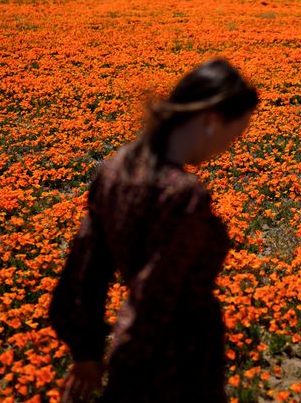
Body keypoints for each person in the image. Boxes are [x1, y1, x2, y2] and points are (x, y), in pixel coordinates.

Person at [48, 57, 259, 402]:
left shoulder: (115, 170)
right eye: (234, 135)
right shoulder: (182, 194)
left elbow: (85, 270)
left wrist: (86, 353)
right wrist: (127, 371)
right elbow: (153, 297)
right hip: (180, 361)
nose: (228, 148)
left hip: (138, 358)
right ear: (210, 119)